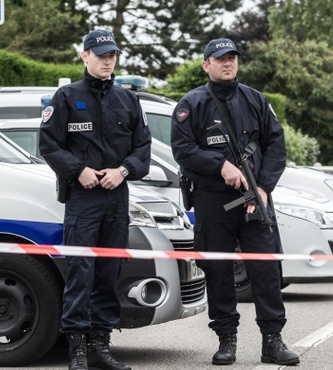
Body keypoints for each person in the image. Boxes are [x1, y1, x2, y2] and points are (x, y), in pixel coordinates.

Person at [171, 38, 299, 366]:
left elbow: (276, 146)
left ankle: (273, 340)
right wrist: (220, 165)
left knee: (266, 270)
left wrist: (265, 188)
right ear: (206, 64)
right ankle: (226, 339)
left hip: (255, 199)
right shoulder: (192, 103)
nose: (227, 63)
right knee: (218, 271)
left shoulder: (255, 100)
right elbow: (183, 150)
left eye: (232, 58)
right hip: (213, 201)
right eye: (220, 58)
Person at [39, 29, 151, 370]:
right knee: (81, 272)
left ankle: (100, 346)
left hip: (116, 197)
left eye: (112, 55)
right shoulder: (66, 97)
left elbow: (143, 149)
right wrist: (78, 170)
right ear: (85, 56)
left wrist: (124, 170)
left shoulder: (129, 100)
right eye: (100, 54)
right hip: (83, 198)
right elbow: (48, 144)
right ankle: (76, 349)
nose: (107, 60)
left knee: (108, 272)